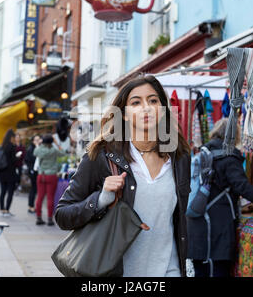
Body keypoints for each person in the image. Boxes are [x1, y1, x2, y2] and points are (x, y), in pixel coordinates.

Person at [55, 75, 191, 277]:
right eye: (136, 102)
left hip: (168, 271)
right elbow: (63, 215)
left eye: (153, 100)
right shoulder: (101, 156)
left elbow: (177, 220)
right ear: (124, 114)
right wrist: (101, 199)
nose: (146, 107)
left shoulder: (179, 157)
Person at [186, 118, 253, 277]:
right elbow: (244, 188)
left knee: (202, 271)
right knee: (217, 272)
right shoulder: (228, 158)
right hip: (216, 232)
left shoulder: (205, 153)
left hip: (198, 228)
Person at [34, 134, 66, 226]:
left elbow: (35, 152)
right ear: (51, 142)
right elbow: (63, 153)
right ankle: (49, 219)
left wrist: (39, 143)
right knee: (50, 197)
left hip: (41, 175)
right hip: (51, 175)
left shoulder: (40, 149)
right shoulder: (54, 150)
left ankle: (39, 217)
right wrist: (57, 143)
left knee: (40, 197)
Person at [0, 129, 21, 217]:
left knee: (2, 191)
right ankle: (7, 210)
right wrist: (17, 157)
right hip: (10, 173)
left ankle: (1, 210)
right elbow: (12, 161)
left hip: (2, 172)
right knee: (10, 192)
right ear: (12, 137)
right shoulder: (12, 146)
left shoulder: (2, 146)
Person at [24, 134, 41, 214]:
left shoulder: (35, 148)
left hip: (35, 171)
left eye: (39, 139)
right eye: (36, 140)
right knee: (33, 189)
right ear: (33, 141)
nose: (38, 141)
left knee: (34, 189)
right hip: (33, 172)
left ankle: (31, 206)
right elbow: (31, 159)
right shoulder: (32, 149)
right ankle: (31, 207)